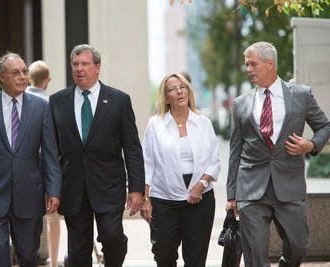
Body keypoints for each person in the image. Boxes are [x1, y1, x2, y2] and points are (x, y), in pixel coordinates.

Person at [226, 41, 330, 266]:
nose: (248, 69)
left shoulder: (301, 95)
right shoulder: (241, 103)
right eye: (247, 64)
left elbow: (325, 126)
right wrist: (231, 194)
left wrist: (310, 145)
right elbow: (235, 150)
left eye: (253, 64)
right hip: (251, 189)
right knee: (255, 254)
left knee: (298, 245)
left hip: (289, 186)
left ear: (269, 63)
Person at [49, 44, 145, 267]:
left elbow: (132, 147)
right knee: (78, 252)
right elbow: (51, 150)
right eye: (75, 64)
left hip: (108, 185)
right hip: (73, 187)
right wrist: (52, 189)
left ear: (97, 67)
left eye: (85, 64)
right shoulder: (57, 101)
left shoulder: (119, 100)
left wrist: (137, 188)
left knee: (112, 237)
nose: (79, 69)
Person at [0, 52, 62, 267]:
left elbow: (49, 152)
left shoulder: (41, 107)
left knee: (28, 256)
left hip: (30, 193)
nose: (22, 77)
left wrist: (54, 189)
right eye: (15, 72)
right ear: (1, 77)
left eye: (24, 72)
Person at [140, 73, 220, 267]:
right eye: (172, 89)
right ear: (166, 97)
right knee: (164, 256)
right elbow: (147, 163)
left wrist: (200, 186)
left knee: (195, 260)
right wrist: (145, 199)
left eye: (182, 87)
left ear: (188, 91)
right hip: (164, 201)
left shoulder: (203, 123)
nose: (178, 91)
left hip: (200, 201)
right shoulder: (155, 124)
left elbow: (215, 161)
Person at [26, 60, 64, 267]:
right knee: (52, 218)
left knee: (23, 216)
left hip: (25, 169)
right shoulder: (52, 103)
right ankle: (53, 261)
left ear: (29, 77)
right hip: (48, 169)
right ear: (48, 80)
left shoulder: (20, 101)